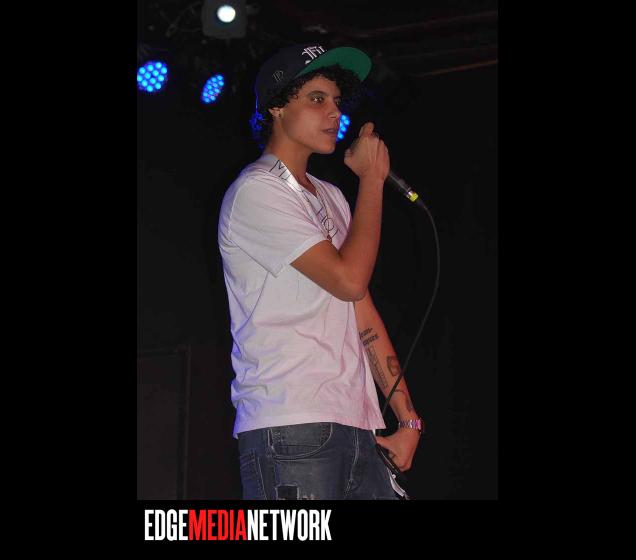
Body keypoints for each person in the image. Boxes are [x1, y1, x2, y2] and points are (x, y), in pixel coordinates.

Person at [217, 43, 423, 500]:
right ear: (276, 107)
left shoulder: (331, 197)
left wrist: (407, 420)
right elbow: (348, 279)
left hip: (357, 423)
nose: (334, 112)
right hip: (292, 426)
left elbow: (362, 309)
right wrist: (372, 180)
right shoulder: (257, 191)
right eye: (316, 99)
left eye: (336, 100)